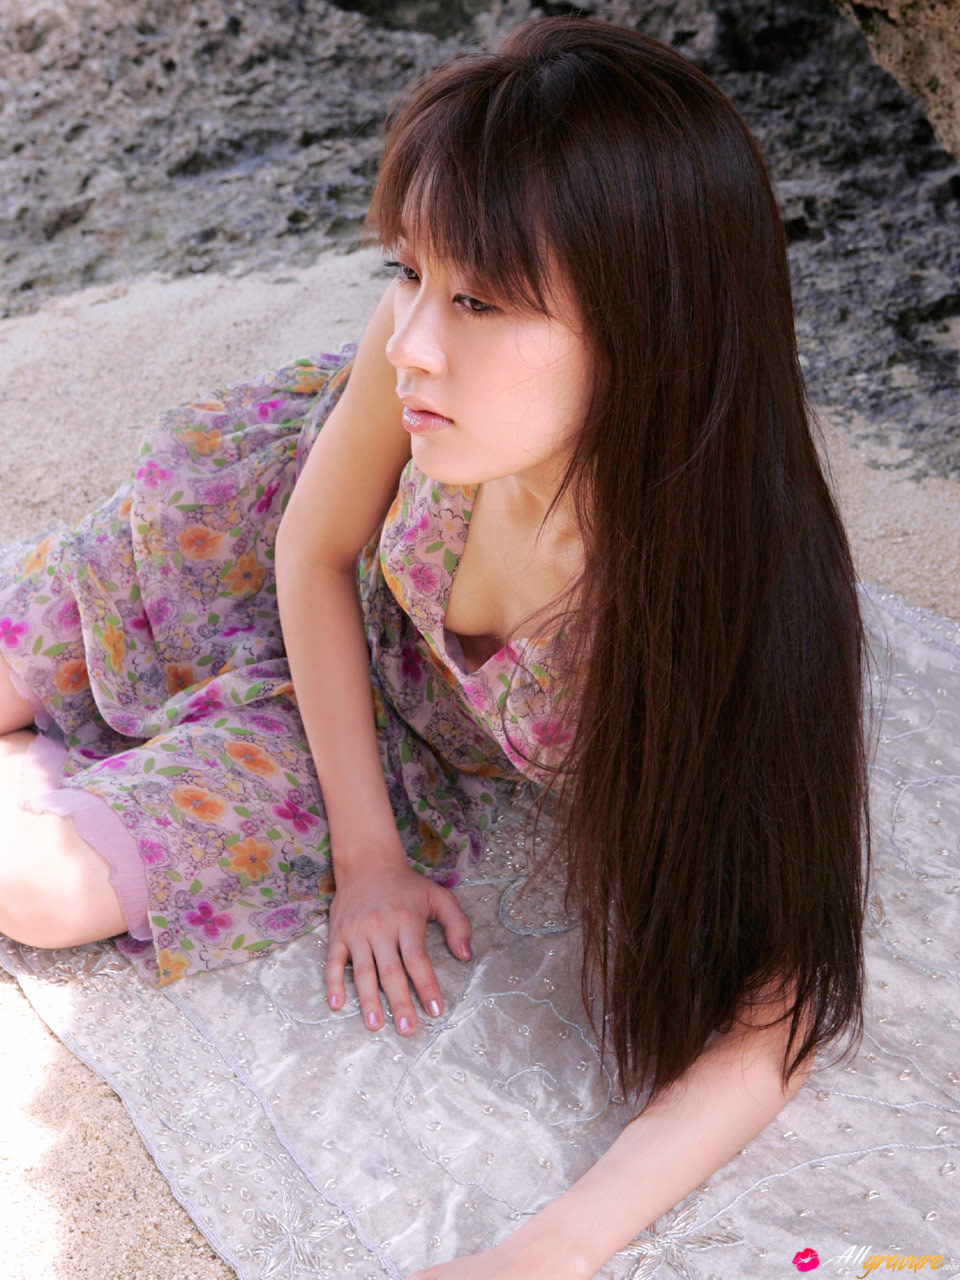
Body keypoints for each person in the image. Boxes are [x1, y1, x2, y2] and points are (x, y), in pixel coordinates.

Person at [0, 15, 874, 1278]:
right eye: (409, 272)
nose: (411, 338)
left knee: (42, 891)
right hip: (247, 558)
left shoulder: (732, 602)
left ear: (650, 328)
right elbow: (311, 547)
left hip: (402, 736)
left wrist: (551, 1249)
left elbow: (780, 1002)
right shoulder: (414, 372)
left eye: (477, 299)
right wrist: (366, 860)